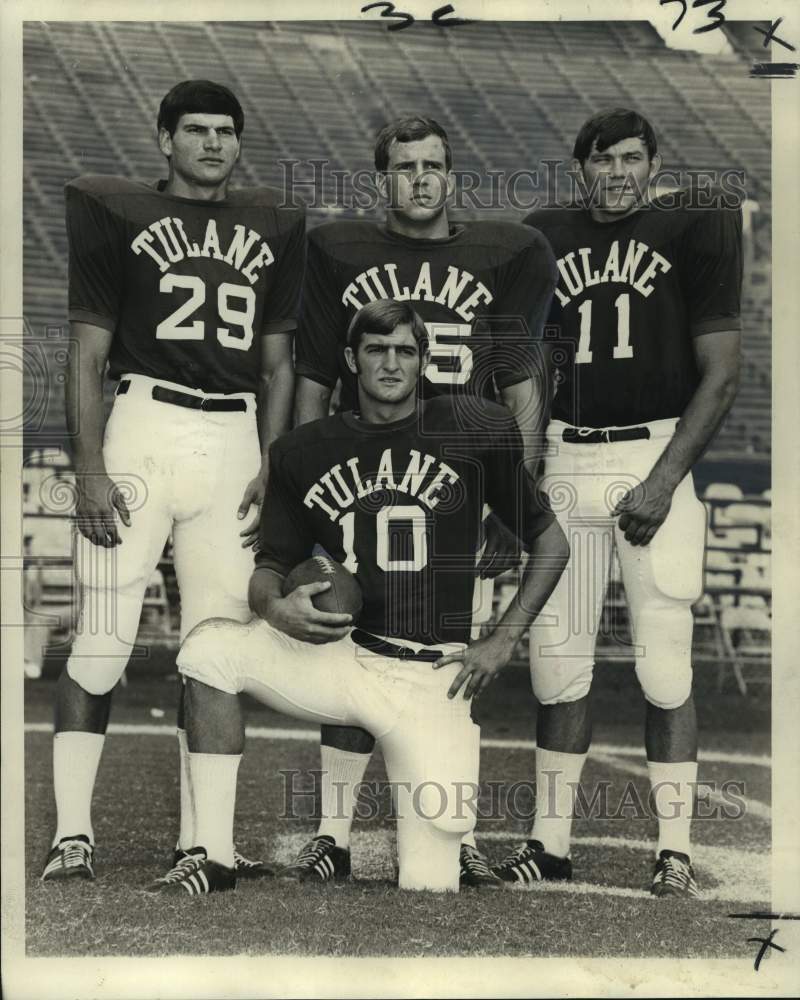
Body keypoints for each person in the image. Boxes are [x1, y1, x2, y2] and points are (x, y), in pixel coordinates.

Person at [161, 298, 569, 895]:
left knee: (431, 883)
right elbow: (267, 568)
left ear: (424, 360)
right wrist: (278, 608)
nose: (391, 363)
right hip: (346, 657)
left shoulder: (473, 426)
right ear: (351, 359)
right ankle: (214, 855)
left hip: (436, 677)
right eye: (376, 350)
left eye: (406, 350)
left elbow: (551, 542)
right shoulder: (302, 450)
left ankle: (428, 843)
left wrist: (503, 640)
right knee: (206, 652)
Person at [40, 80, 305, 885]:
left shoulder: (273, 223)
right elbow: (87, 355)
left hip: (232, 435)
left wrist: (274, 458)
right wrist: (88, 467)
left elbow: (281, 363)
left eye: (226, 130)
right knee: (104, 640)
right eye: (196, 130)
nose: (214, 143)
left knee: (216, 647)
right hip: (144, 428)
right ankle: (73, 835)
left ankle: (207, 842)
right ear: (164, 140)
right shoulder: (119, 212)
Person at [289, 115, 557, 886]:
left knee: (451, 661)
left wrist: (518, 494)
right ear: (384, 178)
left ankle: (454, 829)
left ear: (452, 174)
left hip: (457, 482)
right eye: (404, 167)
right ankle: (331, 834)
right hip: (360, 475)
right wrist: (307, 485)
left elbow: (519, 381)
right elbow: (313, 376)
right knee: (348, 641)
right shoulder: (340, 250)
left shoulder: (505, 253)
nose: (420, 179)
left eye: (434, 165)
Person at [490, 108, 742, 897]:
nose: (618, 172)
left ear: (652, 163)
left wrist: (664, 479)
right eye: (603, 160)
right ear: (581, 168)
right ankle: (549, 843)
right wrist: (525, 467)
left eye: (632, 157)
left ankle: (672, 848)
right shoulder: (543, 234)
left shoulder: (694, 225)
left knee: (664, 668)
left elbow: (723, 371)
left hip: (650, 449)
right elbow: (521, 361)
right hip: (567, 452)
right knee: (556, 667)